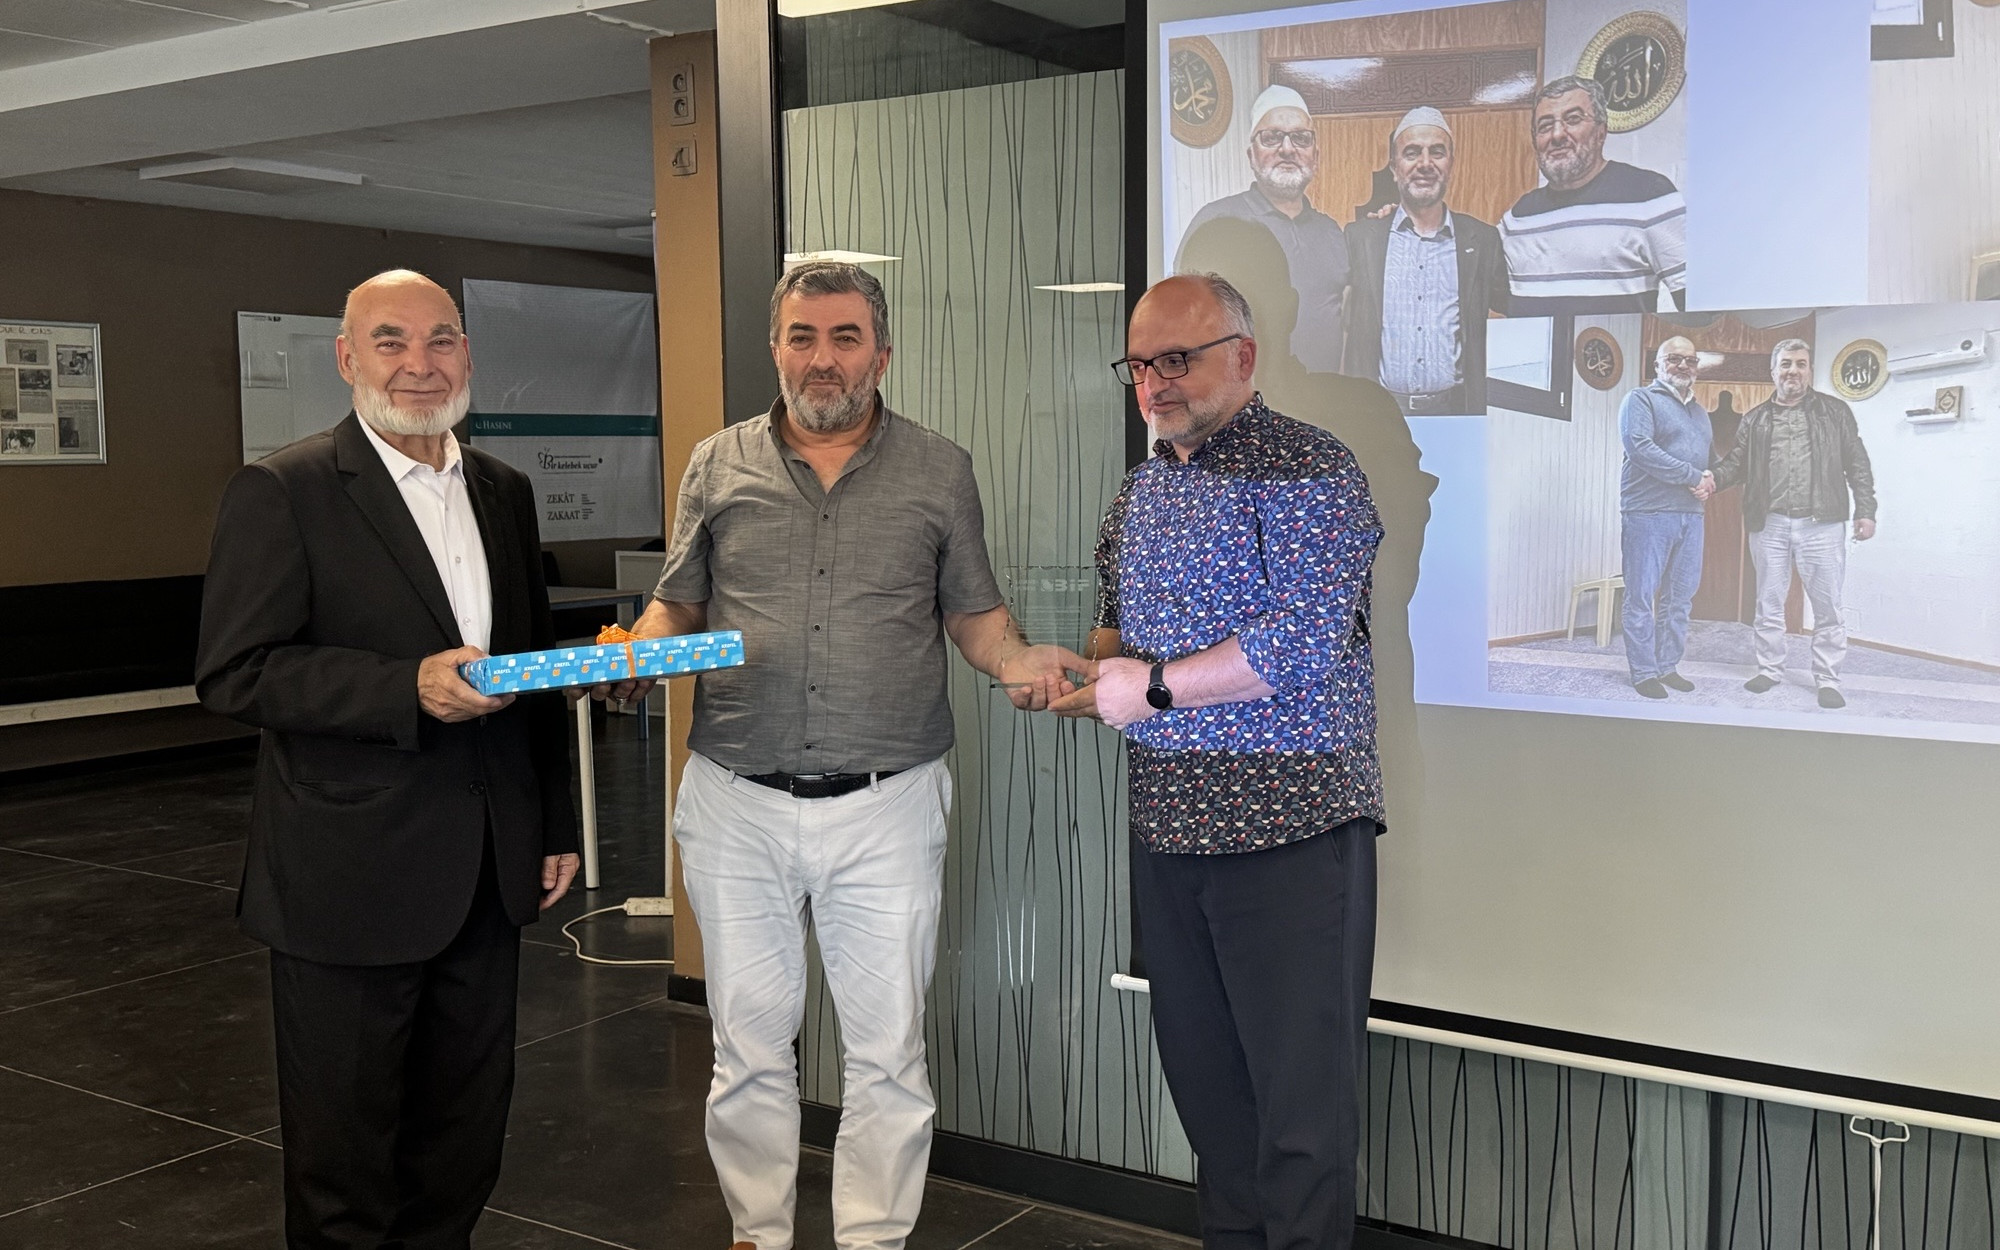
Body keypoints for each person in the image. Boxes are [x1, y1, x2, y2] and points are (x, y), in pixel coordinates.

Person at [605, 261, 1081, 1250]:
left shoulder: (939, 469)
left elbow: (974, 614)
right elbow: (677, 602)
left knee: (887, 1054)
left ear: (882, 353)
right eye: (803, 336)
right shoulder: (716, 463)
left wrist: (1017, 659)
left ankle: (871, 1240)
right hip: (736, 795)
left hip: (887, 801)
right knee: (746, 1047)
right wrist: (639, 652)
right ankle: (758, 1233)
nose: (823, 358)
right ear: (776, 348)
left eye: (845, 337)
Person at [195, 269, 579, 1248]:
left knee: (461, 1144)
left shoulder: (503, 491)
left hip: (487, 873)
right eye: (391, 341)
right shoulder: (283, 491)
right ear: (346, 358)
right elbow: (237, 671)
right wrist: (405, 686)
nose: (419, 363)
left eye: (440, 339)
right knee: (345, 1160)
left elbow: (528, 665)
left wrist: (555, 823)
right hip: (347, 882)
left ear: (467, 354)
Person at [1055, 273, 1384, 1250]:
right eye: (1137, 365)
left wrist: (1151, 688)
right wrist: (1083, 676)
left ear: (1241, 355)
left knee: (1300, 1120)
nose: (1153, 382)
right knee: (1212, 1108)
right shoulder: (1142, 487)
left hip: (1292, 832)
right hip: (1167, 832)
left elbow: (1305, 639)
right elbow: (1115, 630)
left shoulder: (1311, 468)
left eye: (1175, 359)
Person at [1710, 338, 1878, 708]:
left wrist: (1866, 509)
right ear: (1773, 371)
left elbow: (1857, 463)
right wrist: (1711, 480)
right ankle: (1770, 670)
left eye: (1801, 364)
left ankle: (1828, 679)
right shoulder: (1754, 419)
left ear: (1809, 370)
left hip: (1823, 525)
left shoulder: (1835, 412)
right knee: (1768, 602)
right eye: (1786, 364)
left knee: (1828, 606)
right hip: (1768, 524)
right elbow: (1735, 465)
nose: (1793, 371)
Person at [1341, 106, 1510, 414]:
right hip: (1379, 415)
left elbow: (1518, 309)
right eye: (1412, 153)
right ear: (1394, 167)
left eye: (1437, 152)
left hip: (1457, 413)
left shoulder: (1483, 241)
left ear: (1451, 164)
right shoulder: (1361, 238)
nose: (1425, 163)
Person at [1177, 84, 1348, 373]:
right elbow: (1184, 319)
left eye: (1300, 138)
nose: (1287, 149)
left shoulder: (1331, 232)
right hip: (1244, 400)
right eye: (1271, 137)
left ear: (1315, 156)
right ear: (1251, 155)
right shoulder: (1217, 222)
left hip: (1323, 397)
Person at [1501, 76, 1686, 313]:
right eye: (1545, 126)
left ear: (1601, 132)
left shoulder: (1649, 196)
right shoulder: (1518, 217)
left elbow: (1701, 308)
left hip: (1616, 339)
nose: (1557, 135)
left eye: (1573, 120)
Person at [1618, 336, 1712, 699]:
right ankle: (1644, 672)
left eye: (1690, 360)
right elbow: (1640, 448)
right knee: (1641, 596)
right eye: (1674, 359)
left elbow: (1710, 462)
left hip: (1691, 515)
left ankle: (1666, 666)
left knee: (1679, 599)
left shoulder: (1700, 413)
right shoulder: (1640, 400)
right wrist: (1694, 476)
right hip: (1648, 512)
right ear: (1657, 365)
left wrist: (1712, 479)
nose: (1683, 366)